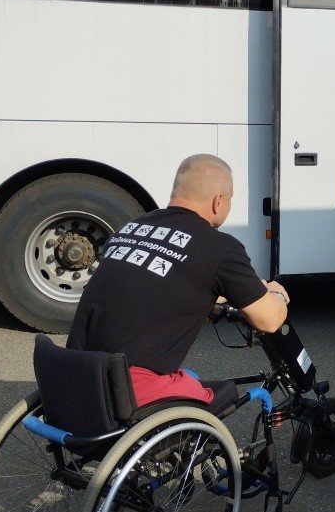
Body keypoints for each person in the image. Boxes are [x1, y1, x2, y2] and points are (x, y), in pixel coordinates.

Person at [66, 154, 290, 407]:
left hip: (74, 376)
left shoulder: (133, 227)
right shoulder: (219, 247)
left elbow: (165, 283)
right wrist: (275, 295)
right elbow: (269, 320)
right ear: (219, 201)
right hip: (126, 389)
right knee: (225, 392)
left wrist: (225, 294)